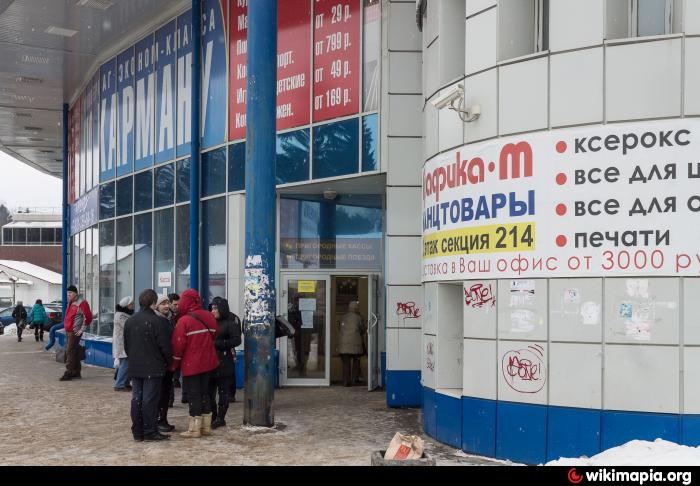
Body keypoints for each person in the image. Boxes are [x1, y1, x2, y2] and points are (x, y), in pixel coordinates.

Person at [124, 289, 172, 442]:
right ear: (153, 302)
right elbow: (165, 346)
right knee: (149, 400)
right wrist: (168, 362)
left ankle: (138, 431)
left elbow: (127, 345)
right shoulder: (159, 321)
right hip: (153, 366)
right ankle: (150, 431)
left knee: (137, 399)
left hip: (136, 366)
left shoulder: (130, 321)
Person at [171, 289, 219, 439]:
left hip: (191, 364)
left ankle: (194, 429)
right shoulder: (208, 316)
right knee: (205, 393)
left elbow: (178, 345)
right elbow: (215, 333)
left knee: (194, 395)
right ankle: (206, 427)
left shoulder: (183, 320)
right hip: (209, 362)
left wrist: (174, 364)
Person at [208, 297, 242, 429]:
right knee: (209, 393)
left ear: (222, 309)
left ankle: (220, 418)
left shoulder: (230, 323)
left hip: (224, 362)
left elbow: (236, 340)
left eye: (215, 308)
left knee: (223, 392)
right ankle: (213, 416)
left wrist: (218, 344)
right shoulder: (209, 322)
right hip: (210, 362)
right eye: (212, 308)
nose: (213, 311)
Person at [60, 286, 93, 381]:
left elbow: (88, 317)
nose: (68, 295)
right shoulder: (71, 302)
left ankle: (69, 372)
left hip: (75, 331)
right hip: (69, 330)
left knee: (70, 351)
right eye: (67, 293)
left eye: (70, 292)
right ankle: (76, 372)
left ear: (75, 293)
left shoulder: (82, 302)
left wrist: (82, 329)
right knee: (74, 350)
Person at [154, 294, 175, 433]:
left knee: (164, 393)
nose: (166, 306)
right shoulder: (158, 320)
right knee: (161, 393)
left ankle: (162, 419)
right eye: (163, 303)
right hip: (161, 363)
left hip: (165, 363)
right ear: (156, 305)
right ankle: (159, 420)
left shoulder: (168, 319)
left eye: (168, 303)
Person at [338, 301, 365, 387]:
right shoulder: (358, 318)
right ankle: (355, 379)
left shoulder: (343, 317)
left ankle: (346, 381)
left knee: (346, 363)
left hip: (343, 344)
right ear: (356, 308)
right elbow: (362, 330)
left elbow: (339, 328)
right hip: (355, 344)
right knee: (356, 361)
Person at [112, 297, 134, 392]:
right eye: (131, 304)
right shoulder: (121, 315)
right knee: (125, 364)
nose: (132, 306)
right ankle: (119, 384)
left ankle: (125, 383)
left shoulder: (125, 314)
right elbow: (128, 327)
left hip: (125, 343)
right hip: (122, 344)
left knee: (127, 364)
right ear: (126, 305)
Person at [168, 293, 183, 391]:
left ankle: (176, 379)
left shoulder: (180, 315)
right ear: (169, 304)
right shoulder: (167, 315)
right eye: (174, 304)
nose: (177, 307)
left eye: (178, 304)